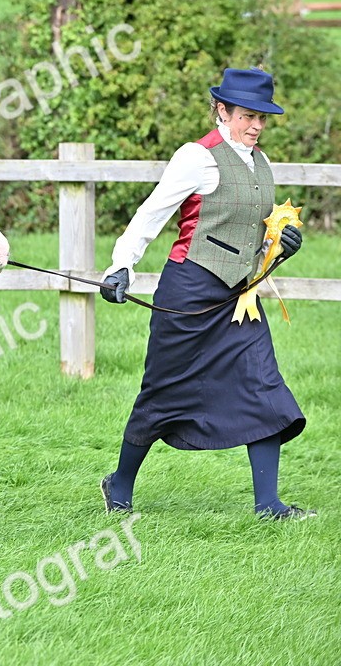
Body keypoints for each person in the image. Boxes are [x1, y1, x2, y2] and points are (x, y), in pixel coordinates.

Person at [98, 67, 313, 521]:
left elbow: (257, 230)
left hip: (241, 297)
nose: (256, 126)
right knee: (160, 394)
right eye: (248, 116)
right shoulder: (196, 157)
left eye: (263, 118)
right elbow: (151, 214)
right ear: (222, 110)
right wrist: (121, 266)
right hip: (189, 294)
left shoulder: (261, 161)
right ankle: (119, 484)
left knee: (263, 385)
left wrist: (283, 244)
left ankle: (269, 505)